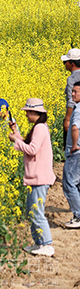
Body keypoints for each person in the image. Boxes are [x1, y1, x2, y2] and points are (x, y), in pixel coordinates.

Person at [9, 98, 56, 257]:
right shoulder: (37, 127)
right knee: (31, 212)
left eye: (28, 112)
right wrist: (17, 134)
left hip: (39, 177)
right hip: (34, 176)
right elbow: (27, 144)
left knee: (37, 213)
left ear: (34, 112)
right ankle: (38, 243)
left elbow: (32, 149)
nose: (26, 115)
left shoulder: (41, 128)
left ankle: (47, 244)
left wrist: (15, 140)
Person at [64, 82, 80, 229]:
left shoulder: (78, 109)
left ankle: (78, 216)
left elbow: (75, 127)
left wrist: (74, 145)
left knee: (69, 183)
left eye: (75, 92)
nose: (72, 94)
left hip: (76, 153)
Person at [62, 48, 80, 150]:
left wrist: (67, 120)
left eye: (66, 62)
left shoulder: (72, 79)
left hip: (75, 114)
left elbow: (71, 100)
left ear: (72, 64)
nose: (65, 64)